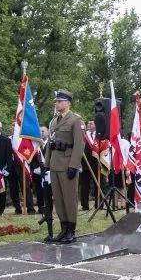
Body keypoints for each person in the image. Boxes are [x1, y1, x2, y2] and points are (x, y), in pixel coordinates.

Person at [44, 89, 86, 244]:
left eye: (59, 101)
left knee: (69, 198)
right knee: (59, 199)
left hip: (68, 165)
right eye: (56, 101)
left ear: (67, 103)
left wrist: (74, 166)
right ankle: (63, 228)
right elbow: (50, 144)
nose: (57, 103)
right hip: (55, 165)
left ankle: (71, 231)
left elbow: (79, 145)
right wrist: (46, 164)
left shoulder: (76, 120)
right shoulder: (54, 121)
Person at [80, 119, 101, 209]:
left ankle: (99, 203)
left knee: (98, 183)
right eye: (88, 123)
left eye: (91, 123)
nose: (89, 124)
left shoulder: (99, 135)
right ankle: (85, 205)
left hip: (97, 163)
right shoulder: (83, 135)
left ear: (96, 125)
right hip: (85, 163)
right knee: (84, 185)